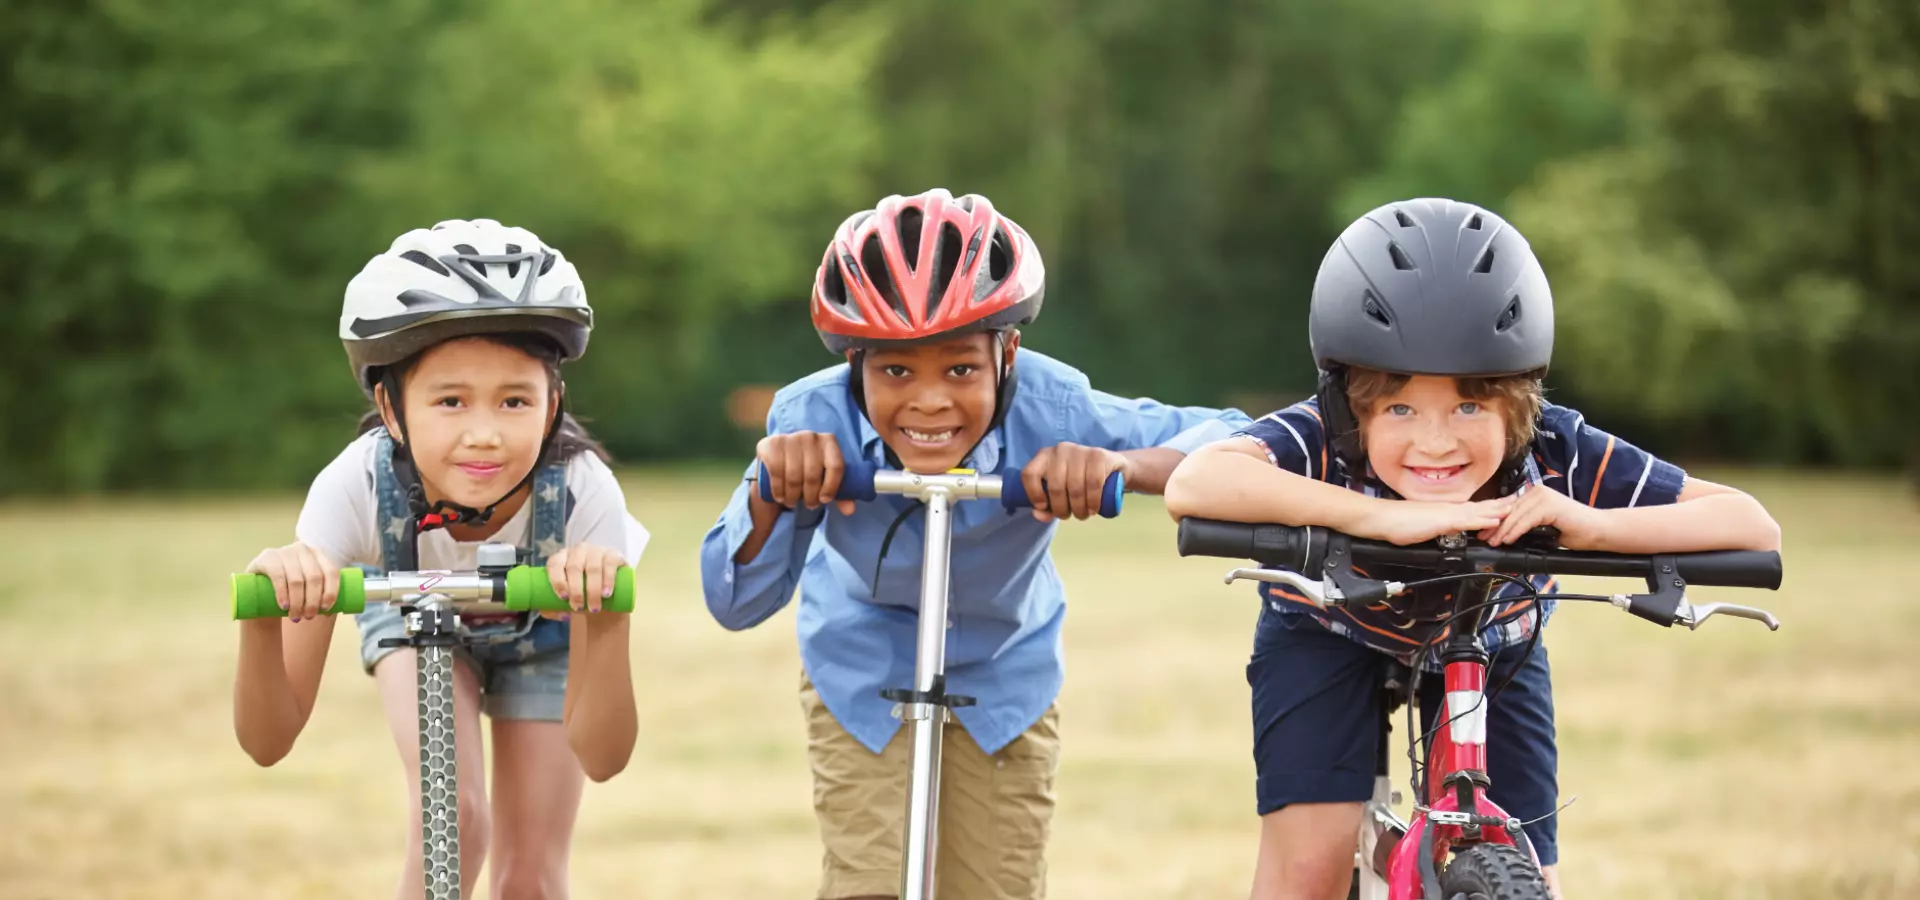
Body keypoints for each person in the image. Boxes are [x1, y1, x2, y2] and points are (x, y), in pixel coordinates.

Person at [1164, 198, 1782, 900]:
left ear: (1517, 406)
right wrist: (1378, 518)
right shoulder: (1321, 438)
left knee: (1527, 871)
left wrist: (1591, 525)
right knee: (1306, 870)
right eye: (1399, 408)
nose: (1435, 442)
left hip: (1493, 637)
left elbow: (1752, 524)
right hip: (1327, 625)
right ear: (1350, 406)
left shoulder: (1554, 449)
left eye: (1469, 406)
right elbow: (1197, 481)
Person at [700, 189, 1249, 900]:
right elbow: (733, 601)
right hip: (859, 668)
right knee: (868, 885)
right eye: (896, 371)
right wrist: (771, 492)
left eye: (960, 369)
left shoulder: (1058, 408)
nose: (929, 402)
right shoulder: (810, 418)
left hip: (1002, 671)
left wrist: (1122, 467)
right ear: (854, 363)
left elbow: (1235, 439)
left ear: (1008, 350)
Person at [231, 219, 646, 900]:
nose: (483, 433)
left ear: (552, 407)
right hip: (413, 614)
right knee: (453, 825)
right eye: (450, 401)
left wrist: (604, 617)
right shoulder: (356, 487)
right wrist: (262, 617)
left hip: (544, 635)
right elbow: (267, 741)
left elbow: (604, 758)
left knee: (530, 880)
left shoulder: (582, 493)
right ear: (391, 411)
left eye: (515, 400)